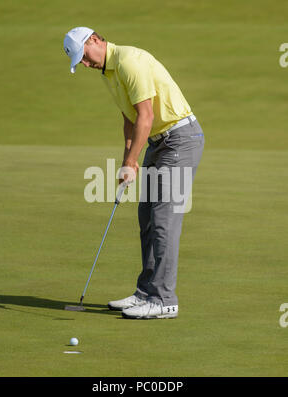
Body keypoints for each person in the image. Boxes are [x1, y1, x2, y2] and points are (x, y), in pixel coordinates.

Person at [63, 27, 205, 319]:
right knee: (147, 218)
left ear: (94, 40)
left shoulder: (129, 61)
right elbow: (130, 119)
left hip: (179, 139)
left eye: (85, 57)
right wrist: (128, 158)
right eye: (81, 62)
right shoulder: (110, 73)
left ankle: (165, 300)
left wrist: (131, 161)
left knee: (164, 220)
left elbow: (147, 116)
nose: (86, 64)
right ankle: (146, 293)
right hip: (158, 142)